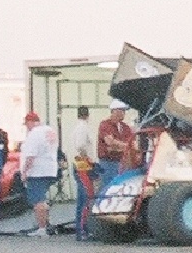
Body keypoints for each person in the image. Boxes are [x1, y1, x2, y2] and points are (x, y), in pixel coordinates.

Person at [19, 110, 59, 237]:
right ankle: (46, 225)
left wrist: (24, 172)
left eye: (27, 124)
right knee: (43, 200)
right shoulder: (49, 131)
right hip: (50, 170)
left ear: (31, 122)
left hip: (37, 171)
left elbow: (31, 156)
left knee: (38, 201)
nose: (27, 127)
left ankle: (42, 229)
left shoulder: (34, 134)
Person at [66, 106, 96, 239]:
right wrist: (88, 160)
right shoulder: (83, 128)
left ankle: (82, 229)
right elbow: (80, 145)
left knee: (83, 198)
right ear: (87, 115)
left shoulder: (76, 128)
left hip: (78, 164)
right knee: (85, 197)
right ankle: (82, 229)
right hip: (83, 165)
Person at [95, 100, 137, 192]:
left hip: (121, 162)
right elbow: (109, 142)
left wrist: (117, 146)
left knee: (119, 187)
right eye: (121, 110)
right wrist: (125, 146)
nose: (123, 113)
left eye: (124, 111)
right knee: (107, 187)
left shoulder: (125, 127)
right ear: (114, 111)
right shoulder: (105, 125)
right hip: (107, 163)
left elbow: (132, 144)